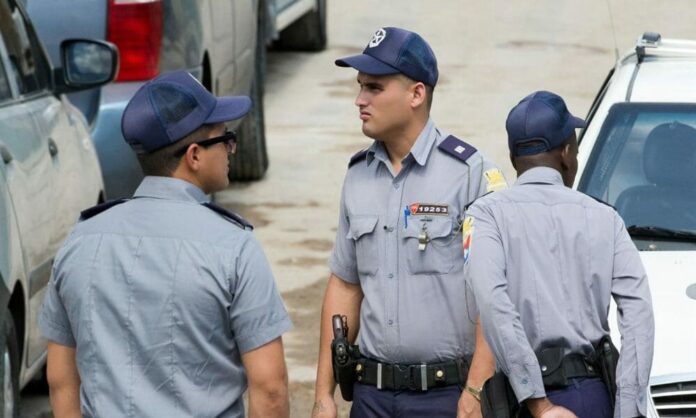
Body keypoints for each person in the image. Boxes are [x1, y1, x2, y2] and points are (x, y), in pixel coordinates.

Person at [39, 70, 292, 418]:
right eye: (225, 138)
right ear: (194, 156)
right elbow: (270, 388)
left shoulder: (81, 241)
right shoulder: (232, 246)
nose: (231, 149)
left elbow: (61, 380)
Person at [312, 27, 508, 418]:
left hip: (446, 397)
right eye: (360, 86)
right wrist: (323, 395)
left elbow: (496, 293)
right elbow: (345, 284)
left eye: (374, 88)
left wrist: (475, 390)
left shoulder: (469, 174)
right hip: (371, 396)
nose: (359, 100)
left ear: (416, 94)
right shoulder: (358, 176)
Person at [465, 91, 654, 418]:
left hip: (522, 401)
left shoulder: (485, 215)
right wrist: (627, 409)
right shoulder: (605, 218)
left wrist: (539, 403)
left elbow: (494, 304)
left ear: (514, 158)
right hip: (592, 396)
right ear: (567, 153)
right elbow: (638, 316)